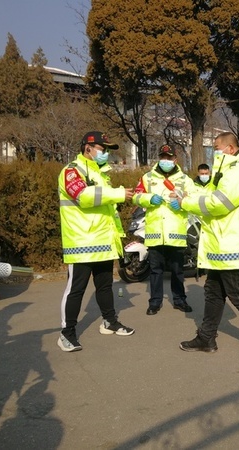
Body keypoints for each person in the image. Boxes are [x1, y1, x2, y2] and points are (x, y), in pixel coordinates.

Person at [178, 132, 239, 359]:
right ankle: (206, 337)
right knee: (213, 291)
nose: (214, 152)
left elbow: (220, 203)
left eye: (217, 147)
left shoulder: (238, 170)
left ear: (229, 149)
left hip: (236, 245)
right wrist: (187, 194)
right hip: (226, 244)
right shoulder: (228, 170)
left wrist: (186, 203)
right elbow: (212, 194)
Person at [57, 131, 135, 352]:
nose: (105, 153)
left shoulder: (101, 174)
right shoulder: (71, 171)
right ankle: (67, 333)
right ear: (87, 148)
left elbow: (107, 207)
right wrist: (118, 194)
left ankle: (109, 322)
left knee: (105, 285)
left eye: (107, 150)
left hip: (103, 240)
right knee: (76, 289)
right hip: (81, 241)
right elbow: (82, 196)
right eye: (102, 149)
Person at [132, 144, 196, 315]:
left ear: (175, 159)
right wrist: (148, 198)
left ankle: (179, 300)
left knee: (177, 270)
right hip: (155, 233)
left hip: (176, 233)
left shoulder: (185, 179)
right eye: (163, 157)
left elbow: (195, 198)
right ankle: (154, 302)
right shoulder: (147, 178)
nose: (165, 160)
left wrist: (182, 203)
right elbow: (136, 197)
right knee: (155, 270)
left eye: (169, 157)